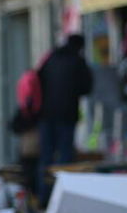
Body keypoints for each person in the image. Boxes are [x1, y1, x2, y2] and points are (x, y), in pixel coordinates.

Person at [36, 34, 94, 198]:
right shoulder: (78, 61)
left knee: (46, 157)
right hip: (67, 116)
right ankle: (62, 195)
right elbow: (87, 87)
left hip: (45, 115)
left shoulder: (51, 58)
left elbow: (38, 79)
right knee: (65, 157)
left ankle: (43, 195)